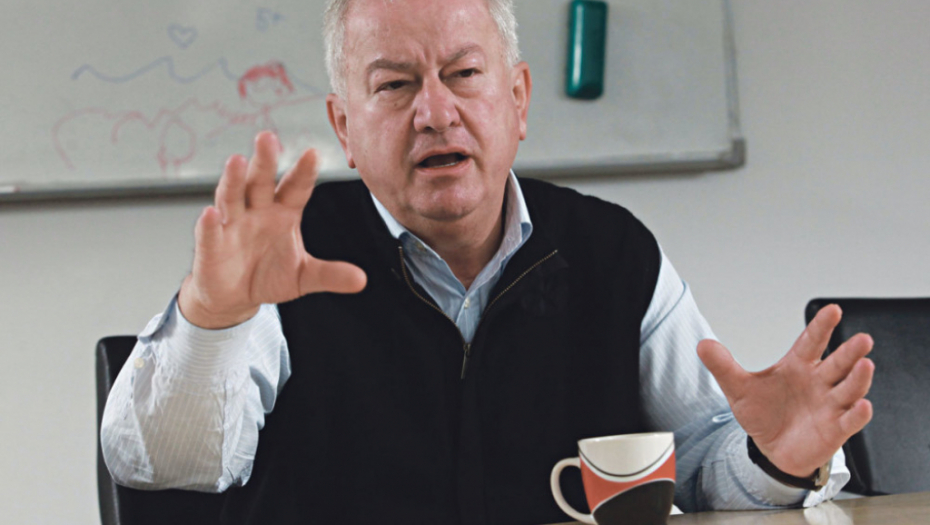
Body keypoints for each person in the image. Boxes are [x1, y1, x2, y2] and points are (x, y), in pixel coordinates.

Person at [101, 0, 875, 523]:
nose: (435, 112)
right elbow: (166, 463)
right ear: (344, 127)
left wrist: (774, 459)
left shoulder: (611, 251)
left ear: (518, 99)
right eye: (394, 84)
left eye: (464, 75)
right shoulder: (287, 253)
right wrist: (213, 318)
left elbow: (702, 465)